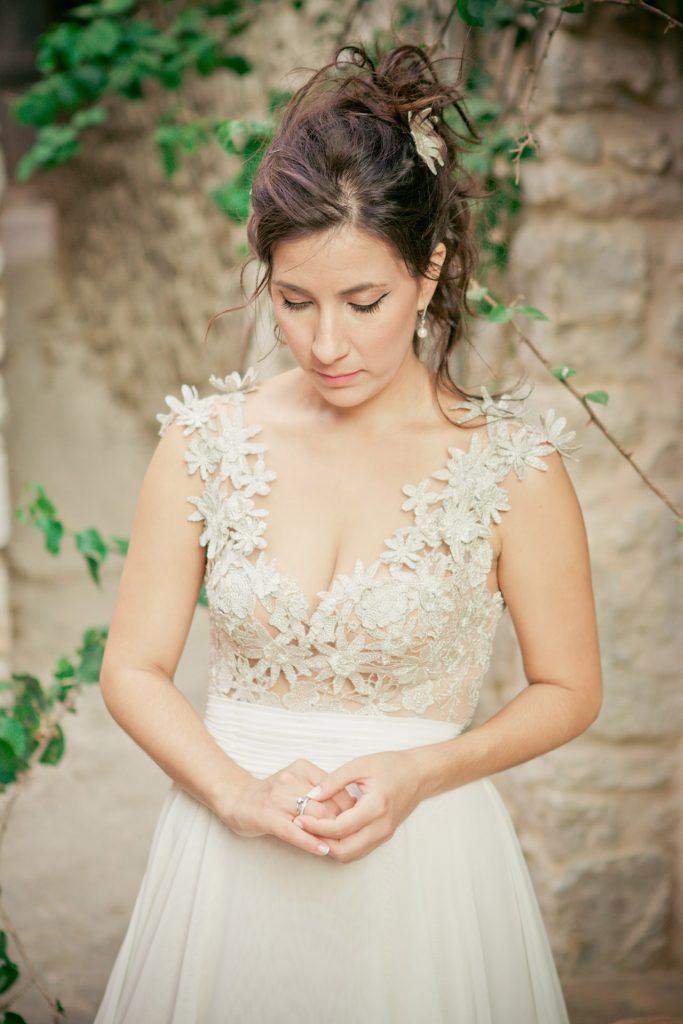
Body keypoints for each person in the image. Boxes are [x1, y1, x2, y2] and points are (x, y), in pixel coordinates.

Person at [93, 42, 602, 1024]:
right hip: (225, 860)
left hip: (425, 866)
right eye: (294, 302)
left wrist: (421, 771)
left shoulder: (511, 465)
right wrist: (233, 793)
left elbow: (569, 688)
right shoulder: (204, 442)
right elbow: (132, 668)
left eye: (362, 302)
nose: (327, 344)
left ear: (428, 271)